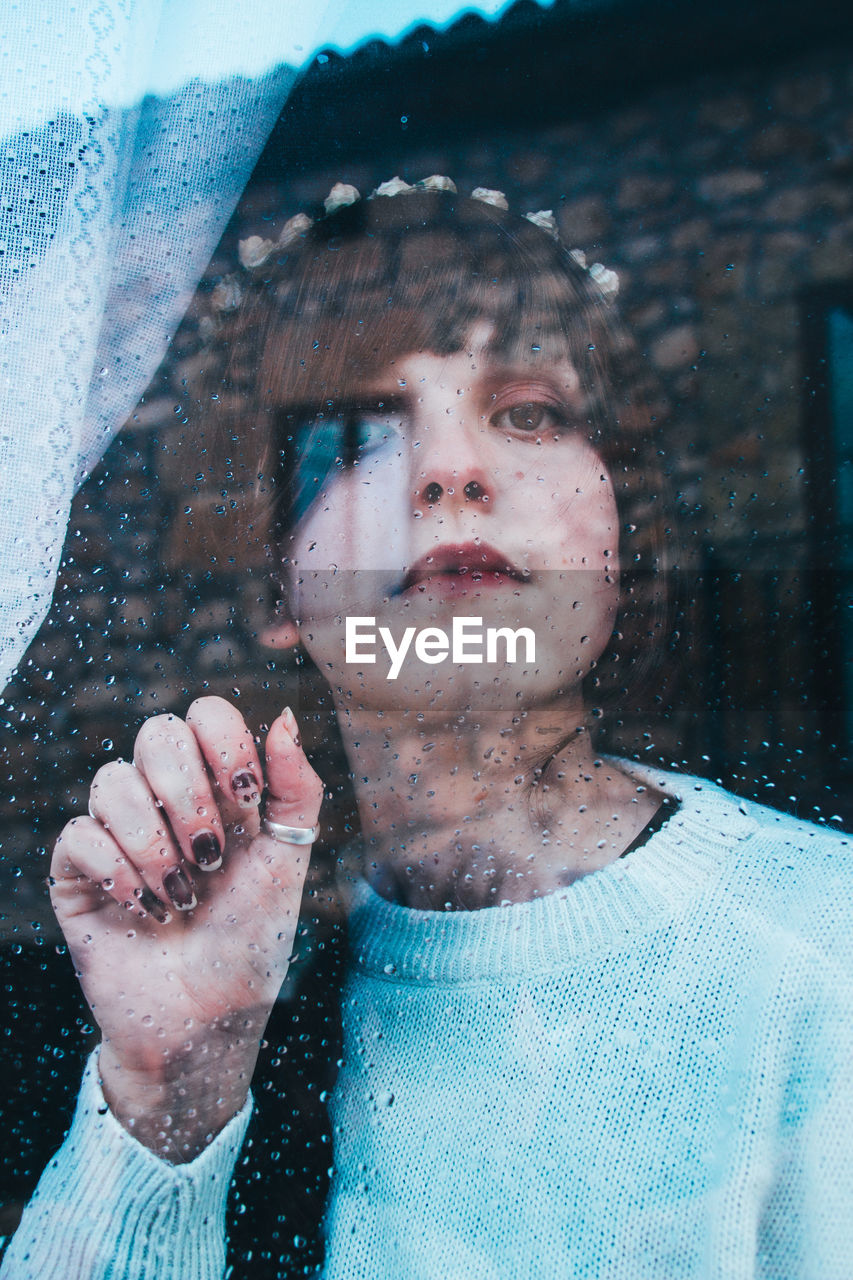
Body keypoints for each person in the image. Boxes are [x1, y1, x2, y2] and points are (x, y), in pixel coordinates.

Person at [3, 179, 852, 1279]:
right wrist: (172, 1092)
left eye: (531, 411)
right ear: (273, 578)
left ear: (619, 533)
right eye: (358, 430)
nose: (452, 470)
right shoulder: (253, 963)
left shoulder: (821, 944)